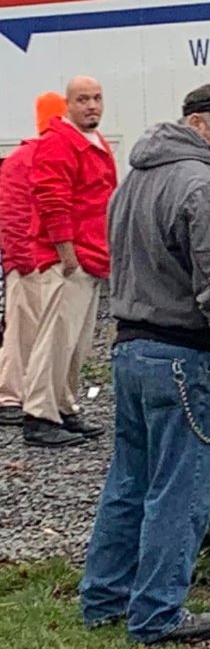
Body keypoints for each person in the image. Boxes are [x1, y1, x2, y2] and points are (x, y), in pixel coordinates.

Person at [79, 83, 210, 645]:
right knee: (180, 490)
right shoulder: (205, 185)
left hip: (130, 347)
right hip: (185, 354)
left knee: (130, 481)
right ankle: (157, 612)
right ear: (197, 123)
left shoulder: (136, 176)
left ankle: (104, 597)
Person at [22, 76, 117, 448]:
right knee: (56, 338)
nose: (92, 105)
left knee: (75, 342)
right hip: (70, 258)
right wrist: (65, 253)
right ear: (68, 104)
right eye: (83, 100)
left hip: (88, 255)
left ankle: (63, 405)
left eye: (96, 98)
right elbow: (51, 198)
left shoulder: (92, 141)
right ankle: (40, 414)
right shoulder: (60, 142)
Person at [0, 93, 67, 426]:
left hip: (30, 259)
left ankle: (17, 394)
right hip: (35, 260)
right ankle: (11, 395)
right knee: (27, 331)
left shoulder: (23, 158)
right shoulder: (39, 157)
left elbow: (12, 214)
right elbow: (14, 214)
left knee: (27, 331)